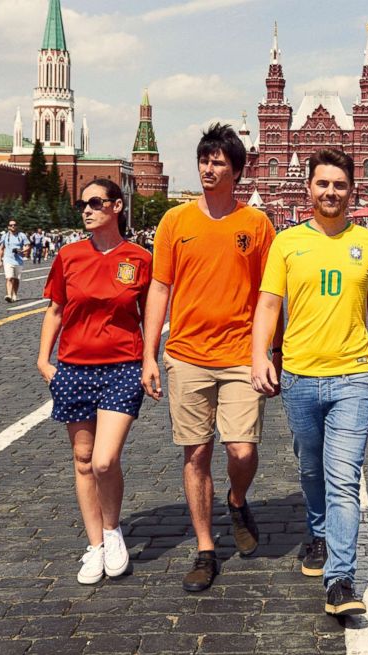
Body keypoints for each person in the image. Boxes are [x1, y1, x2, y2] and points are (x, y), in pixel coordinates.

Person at [251, 148, 368, 617]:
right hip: (299, 376)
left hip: (353, 374)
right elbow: (269, 304)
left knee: (343, 478)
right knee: (311, 469)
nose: (331, 192)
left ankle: (341, 577)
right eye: (323, 183)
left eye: (340, 184)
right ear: (308, 187)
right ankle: (316, 532)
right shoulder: (287, 242)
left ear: (352, 190)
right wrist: (259, 356)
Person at [142, 123, 277, 593]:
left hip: (241, 354)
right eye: (204, 159)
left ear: (237, 171)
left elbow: (269, 295)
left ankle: (237, 499)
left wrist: (268, 352)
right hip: (187, 355)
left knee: (242, 449)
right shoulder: (175, 222)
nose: (208, 167)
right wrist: (149, 354)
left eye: (218, 161)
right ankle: (204, 548)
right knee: (196, 452)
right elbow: (160, 287)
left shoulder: (256, 225)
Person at [38, 179, 151, 584]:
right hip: (74, 368)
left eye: (95, 203)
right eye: (82, 204)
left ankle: (112, 529)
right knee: (83, 461)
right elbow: (55, 310)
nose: (86, 210)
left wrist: (151, 358)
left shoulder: (139, 258)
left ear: (117, 206)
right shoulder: (68, 256)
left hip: (122, 366)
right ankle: (95, 546)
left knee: (105, 459)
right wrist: (42, 360)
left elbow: (150, 315)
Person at [0, 220, 30, 302]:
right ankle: (9, 295)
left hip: (18, 261)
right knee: (9, 278)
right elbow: (1, 248)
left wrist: (22, 251)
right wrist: (0, 260)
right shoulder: (5, 236)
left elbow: (28, 246)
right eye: (11, 225)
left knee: (16, 279)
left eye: (14, 225)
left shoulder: (21, 235)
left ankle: (15, 294)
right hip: (8, 259)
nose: (13, 226)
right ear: (8, 227)